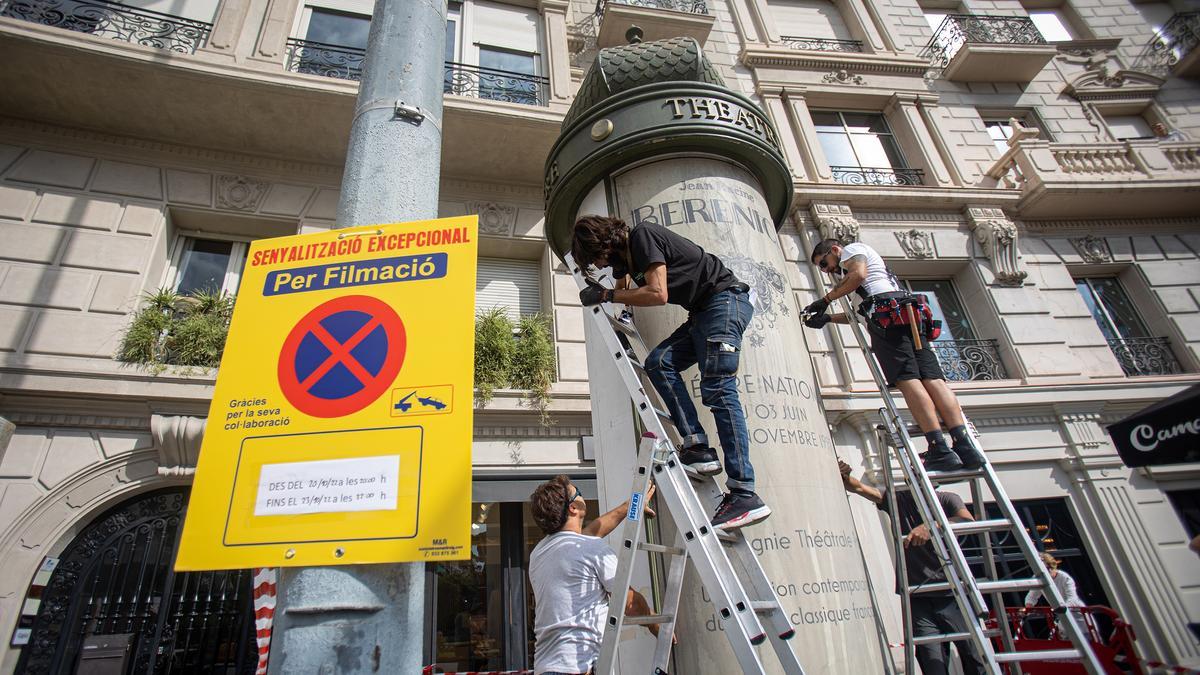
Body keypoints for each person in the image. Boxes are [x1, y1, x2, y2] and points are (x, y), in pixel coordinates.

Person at [570, 215, 768, 531]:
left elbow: (657, 292)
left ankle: (745, 493)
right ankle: (697, 446)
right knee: (659, 362)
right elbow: (624, 282)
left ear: (606, 243)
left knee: (718, 389)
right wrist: (618, 303)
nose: (602, 264)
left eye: (598, 257)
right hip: (703, 312)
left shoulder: (642, 236)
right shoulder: (626, 259)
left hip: (723, 302)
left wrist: (607, 296)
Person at [802, 239, 986, 473]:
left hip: (886, 316)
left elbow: (858, 276)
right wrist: (828, 318)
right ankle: (965, 446)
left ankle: (939, 447)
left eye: (824, 263)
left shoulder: (852, 251)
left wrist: (826, 300)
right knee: (932, 379)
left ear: (835, 250)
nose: (827, 271)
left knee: (908, 379)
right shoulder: (870, 280)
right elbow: (860, 313)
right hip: (904, 312)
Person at [839, 460, 987, 675]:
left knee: (974, 656)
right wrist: (842, 473)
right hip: (918, 595)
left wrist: (932, 527)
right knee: (931, 660)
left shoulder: (946, 499)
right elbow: (860, 487)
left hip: (952, 593)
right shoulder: (899, 498)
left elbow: (967, 521)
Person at [528, 475, 663, 675]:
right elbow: (629, 603)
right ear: (573, 508)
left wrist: (631, 505)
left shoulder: (539, 552)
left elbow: (592, 531)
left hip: (546, 667)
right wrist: (657, 626)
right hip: (578, 668)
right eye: (579, 493)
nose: (583, 496)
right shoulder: (589, 548)